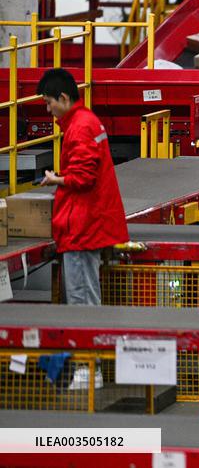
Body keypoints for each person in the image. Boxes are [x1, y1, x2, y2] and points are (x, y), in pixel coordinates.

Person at [37, 68, 128, 390]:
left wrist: (56, 179)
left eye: (49, 102)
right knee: (86, 296)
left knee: (82, 300)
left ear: (63, 97)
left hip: (82, 228)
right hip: (87, 224)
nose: (48, 109)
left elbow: (84, 177)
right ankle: (90, 367)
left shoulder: (79, 127)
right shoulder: (86, 120)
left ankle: (90, 371)